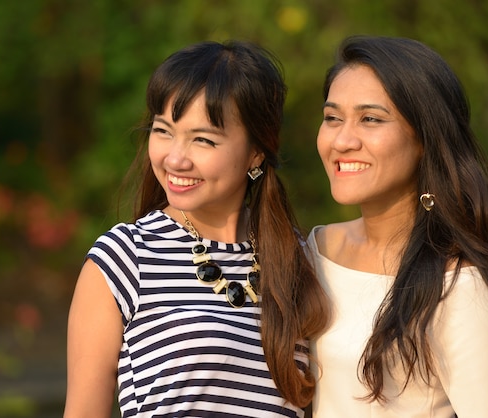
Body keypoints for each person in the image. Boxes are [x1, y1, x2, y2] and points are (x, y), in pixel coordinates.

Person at [63, 40, 331, 418]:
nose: (175, 158)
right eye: (163, 131)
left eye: (202, 139)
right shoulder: (127, 256)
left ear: (256, 152)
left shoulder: (300, 258)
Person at [308, 35, 488, 417]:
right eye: (332, 118)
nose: (342, 140)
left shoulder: (458, 285)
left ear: (426, 138)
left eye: (370, 119)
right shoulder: (317, 248)